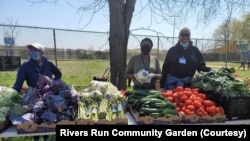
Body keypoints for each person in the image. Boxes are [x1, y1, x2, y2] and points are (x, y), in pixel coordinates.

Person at [12, 43, 62, 141]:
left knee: (47, 116)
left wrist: (54, 84)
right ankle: (36, 137)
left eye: (35, 50)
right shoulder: (26, 65)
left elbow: (58, 74)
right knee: (34, 116)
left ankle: (46, 137)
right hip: (33, 94)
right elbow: (19, 82)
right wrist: (12, 93)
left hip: (48, 94)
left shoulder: (48, 64)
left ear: (42, 53)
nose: (32, 52)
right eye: (30, 51)